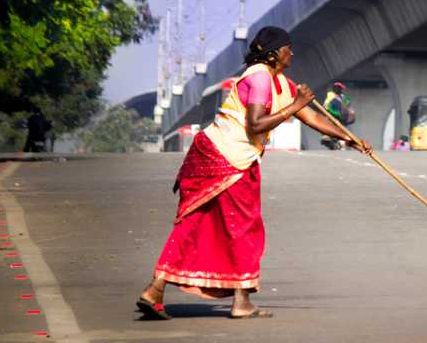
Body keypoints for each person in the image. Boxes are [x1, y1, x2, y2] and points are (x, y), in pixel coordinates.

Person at [137, 26, 371, 320]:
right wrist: (296, 105)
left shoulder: (280, 82)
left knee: (196, 223)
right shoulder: (260, 77)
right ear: (274, 54)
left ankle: (155, 289)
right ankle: (241, 301)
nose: (292, 53)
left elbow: (310, 117)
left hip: (216, 153)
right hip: (230, 158)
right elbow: (256, 124)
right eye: (288, 48)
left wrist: (349, 138)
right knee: (245, 229)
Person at [320, 82, 353, 150]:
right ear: (335, 88)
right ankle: (328, 137)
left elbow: (347, 102)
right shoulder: (331, 96)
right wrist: (335, 112)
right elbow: (326, 107)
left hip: (341, 118)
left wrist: (348, 108)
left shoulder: (342, 96)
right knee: (331, 129)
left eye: (341, 89)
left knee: (343, 130)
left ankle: (338, 142)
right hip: (333, 116)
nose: (341, 90)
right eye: (340, 89)